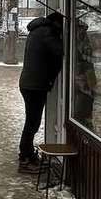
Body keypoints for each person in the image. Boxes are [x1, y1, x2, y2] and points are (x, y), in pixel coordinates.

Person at [17, 11, 64, 173]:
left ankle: (28, 155)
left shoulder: (37, 30)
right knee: (32, 123)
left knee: (31, 122)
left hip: (29, 83)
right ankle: (25, 159)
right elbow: (59, 51)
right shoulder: (47, 33)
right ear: (57, 24)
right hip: (35, 86)